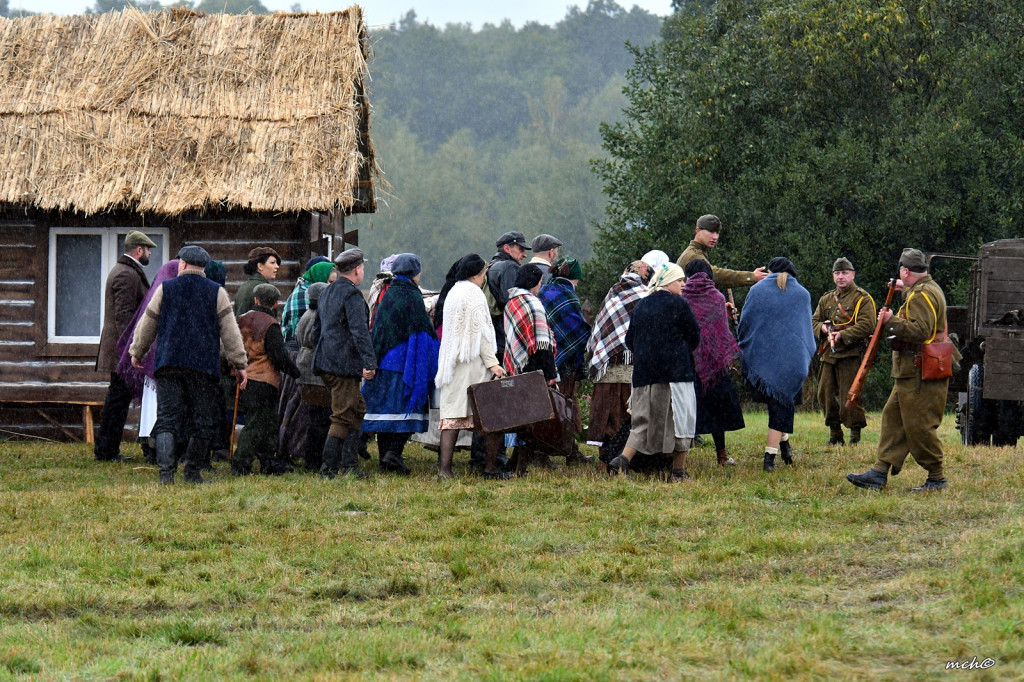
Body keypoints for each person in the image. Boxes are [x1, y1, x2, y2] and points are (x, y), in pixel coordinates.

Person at [129, 246, 248, 485]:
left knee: (167, 419)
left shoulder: (166, 289)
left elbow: (147, 323)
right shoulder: (217, 292)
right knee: (203, 421)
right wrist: (240, 363)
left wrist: (137, 351)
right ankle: (192, 472)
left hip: (169, 364)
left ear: (182, 264)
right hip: (203, 367)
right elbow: (230, 332)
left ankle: (166, 475)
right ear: (203, 267)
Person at [847, 248, 953, 492]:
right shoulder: (925, 288)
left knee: (919, 426)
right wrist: (902, 287)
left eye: (902, 274)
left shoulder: (921, 295)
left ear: (906, 271)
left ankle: (936, 476)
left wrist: (890, 320)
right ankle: (880, 471)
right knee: (893, 418)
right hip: (912, 371)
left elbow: (920, 331)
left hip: (919, 372)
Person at [607, 263, 701, 482]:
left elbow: (630, 341)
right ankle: (678, 472)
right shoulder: (679, 305)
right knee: (682, 422)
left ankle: (622, 460)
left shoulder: (642, 305)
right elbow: (694, 337)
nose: (684, 284)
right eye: (680, 280)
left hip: (643, 376)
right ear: (667, 280)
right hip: (676, 376)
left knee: (642, 422)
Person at [361, 253, 440, 475]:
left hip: (384, 361)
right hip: (404, 364)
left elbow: (379, 330)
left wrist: (372, 359)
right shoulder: (411, 295)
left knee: (386, 413)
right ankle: (393, 454)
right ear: (415, 273)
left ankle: (384, 459)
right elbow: (423, 331)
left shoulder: (389, 293)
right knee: (405, 410)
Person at [737, 257, 816, 473]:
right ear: (792, 272)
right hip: (792, 360)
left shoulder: (757, 290)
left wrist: (748, 347)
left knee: (779, 404)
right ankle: (770, 457)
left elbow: (745, 323)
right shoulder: (802, 294)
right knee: (782, 403)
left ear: (771, 270)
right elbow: (805, 331)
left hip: (764, 358)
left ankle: (785, 445)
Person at [435, 254, 510, 480]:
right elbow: (483, 333)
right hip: (473, 363)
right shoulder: (475, 293)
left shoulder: (453, 292)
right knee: (489, 416)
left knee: (452, 418)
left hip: (452, 362)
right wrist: (493, 363)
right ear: (477, 274)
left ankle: (444, 470)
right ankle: (490, 468)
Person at [311, 248, 377, 479]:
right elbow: (360, 332)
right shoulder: (352, 295)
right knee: (342, 415)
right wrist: (369, 362)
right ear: (357, 270)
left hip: (326, 362)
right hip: (342, 365)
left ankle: (350, 465)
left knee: (357, 409)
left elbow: (315, 332)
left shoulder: (326, 293)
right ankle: (328, 470)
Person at [94, 230, 157, 463]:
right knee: (117, 401)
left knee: (117, 399)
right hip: (121, 351)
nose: (150, 253)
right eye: (148, 249)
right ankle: (107, 451)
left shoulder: (125, 271)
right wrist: (131, 350)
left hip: (120, 349)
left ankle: (106, 449)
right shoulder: (127, 274)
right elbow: (124, 316)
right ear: (138, 250)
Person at [115, 259, 180, 464]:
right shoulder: (166, 293)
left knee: (153, 410)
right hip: (161, 362)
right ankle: (157, 447)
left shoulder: (159, 290)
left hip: (153, 361)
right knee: (161, 410)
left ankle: (151, 446)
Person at [680, 259, 745, 466]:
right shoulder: (717, 297)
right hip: (713, 364)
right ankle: (722, 456)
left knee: (684, 409)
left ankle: (679, 457)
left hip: (687, 363)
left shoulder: (682, 297)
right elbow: (717, 330)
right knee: (717, 409)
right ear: (708, 275)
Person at [586, 260, 652, 461]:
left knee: (607, 411)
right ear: (646, 276)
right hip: (631, 363)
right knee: (624, 413)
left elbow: (602, 329)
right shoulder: (646, 295)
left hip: (607, 360)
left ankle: (605, 457)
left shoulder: (612, 292)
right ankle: (624, 457)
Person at [232, 284, 301, 475]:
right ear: (276, 303)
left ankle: (269, 462)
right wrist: (296, 374)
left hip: (242, 378)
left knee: (268, 423)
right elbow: (278, 356)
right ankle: (240, 464)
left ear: (255, 300)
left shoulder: (241, 320)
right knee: (257, 424)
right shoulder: (270, 324)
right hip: (264, 381)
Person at [811, 257, 877, 445]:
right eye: (837, 273)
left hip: (851, 354)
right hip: (828, 355)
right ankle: (835, 435)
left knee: (851, 396)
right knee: (824, 394)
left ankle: (855, 437)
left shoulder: (862, 298)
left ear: (852, 275)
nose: (840, 277)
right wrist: (823, 330)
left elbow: (868, 325)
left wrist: (844, 334)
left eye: (844, 273)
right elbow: (814, 320)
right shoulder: (826, 299)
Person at [538, 257, 592, 464]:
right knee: (566, 404)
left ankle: (543, 453)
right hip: (564, 362)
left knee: (548, 405)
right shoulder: (568, 294)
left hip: (545, 357)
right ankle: (570, 453)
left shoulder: (545, 290)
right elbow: (576, 329)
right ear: (574, 278)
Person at [295, 282, 331, 472]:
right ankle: (315, 460)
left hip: (303, 367)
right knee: (321, 419)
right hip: (315, 372)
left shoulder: (305, 315)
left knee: (313, 418)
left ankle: (311, 458)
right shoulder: (320, 316)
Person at [676, 214, 767, 289]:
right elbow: (715, 276)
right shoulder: (693, 255)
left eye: (717, 232)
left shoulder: (695, 252)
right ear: (698, 230)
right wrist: (751, 277)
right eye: (711, 231)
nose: (715, 237)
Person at [486, 231, 531, 361]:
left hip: (493, 336)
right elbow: (512, 304)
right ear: (507, 248)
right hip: (504, 338)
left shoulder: (491, 266)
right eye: (521, 249)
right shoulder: (510, 267)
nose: (525, 254)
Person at [280, 260, 337, 342]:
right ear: (320, 277)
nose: (331, 286)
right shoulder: (307, 294)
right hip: (298, 345)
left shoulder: (307, 288)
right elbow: (310, 327)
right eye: (330, 282)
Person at [234, 246, 281, 318]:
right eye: (272, 263)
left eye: (276, 263)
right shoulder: (265, 290)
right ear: (260, 266)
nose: (277, 266)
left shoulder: (243, 287)